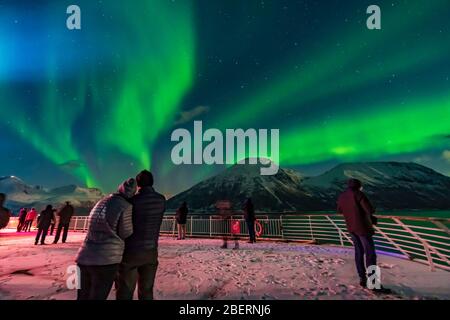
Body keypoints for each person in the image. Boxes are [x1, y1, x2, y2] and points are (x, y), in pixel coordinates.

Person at [76, 179, 135, 300]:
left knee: (82, 296)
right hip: (106, 260)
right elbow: (125, 232)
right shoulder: (126, 206)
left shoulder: (101, 201)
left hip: (84, 256)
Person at [116, 170, 166, 300]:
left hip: (131, 251)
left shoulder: (132, 201)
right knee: (147, 291)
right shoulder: (161, 200)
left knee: (125, 291)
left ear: (138, 184)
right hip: (151, 251)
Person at [337, 178, 391, 294]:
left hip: (351, 228)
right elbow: (369, 210)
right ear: (359, 186)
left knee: (359, 253)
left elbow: (340, 210)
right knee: (370, 255)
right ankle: (374, 283)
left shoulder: (342, 196)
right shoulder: (359, 194)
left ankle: (362, 278)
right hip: (363, 229)